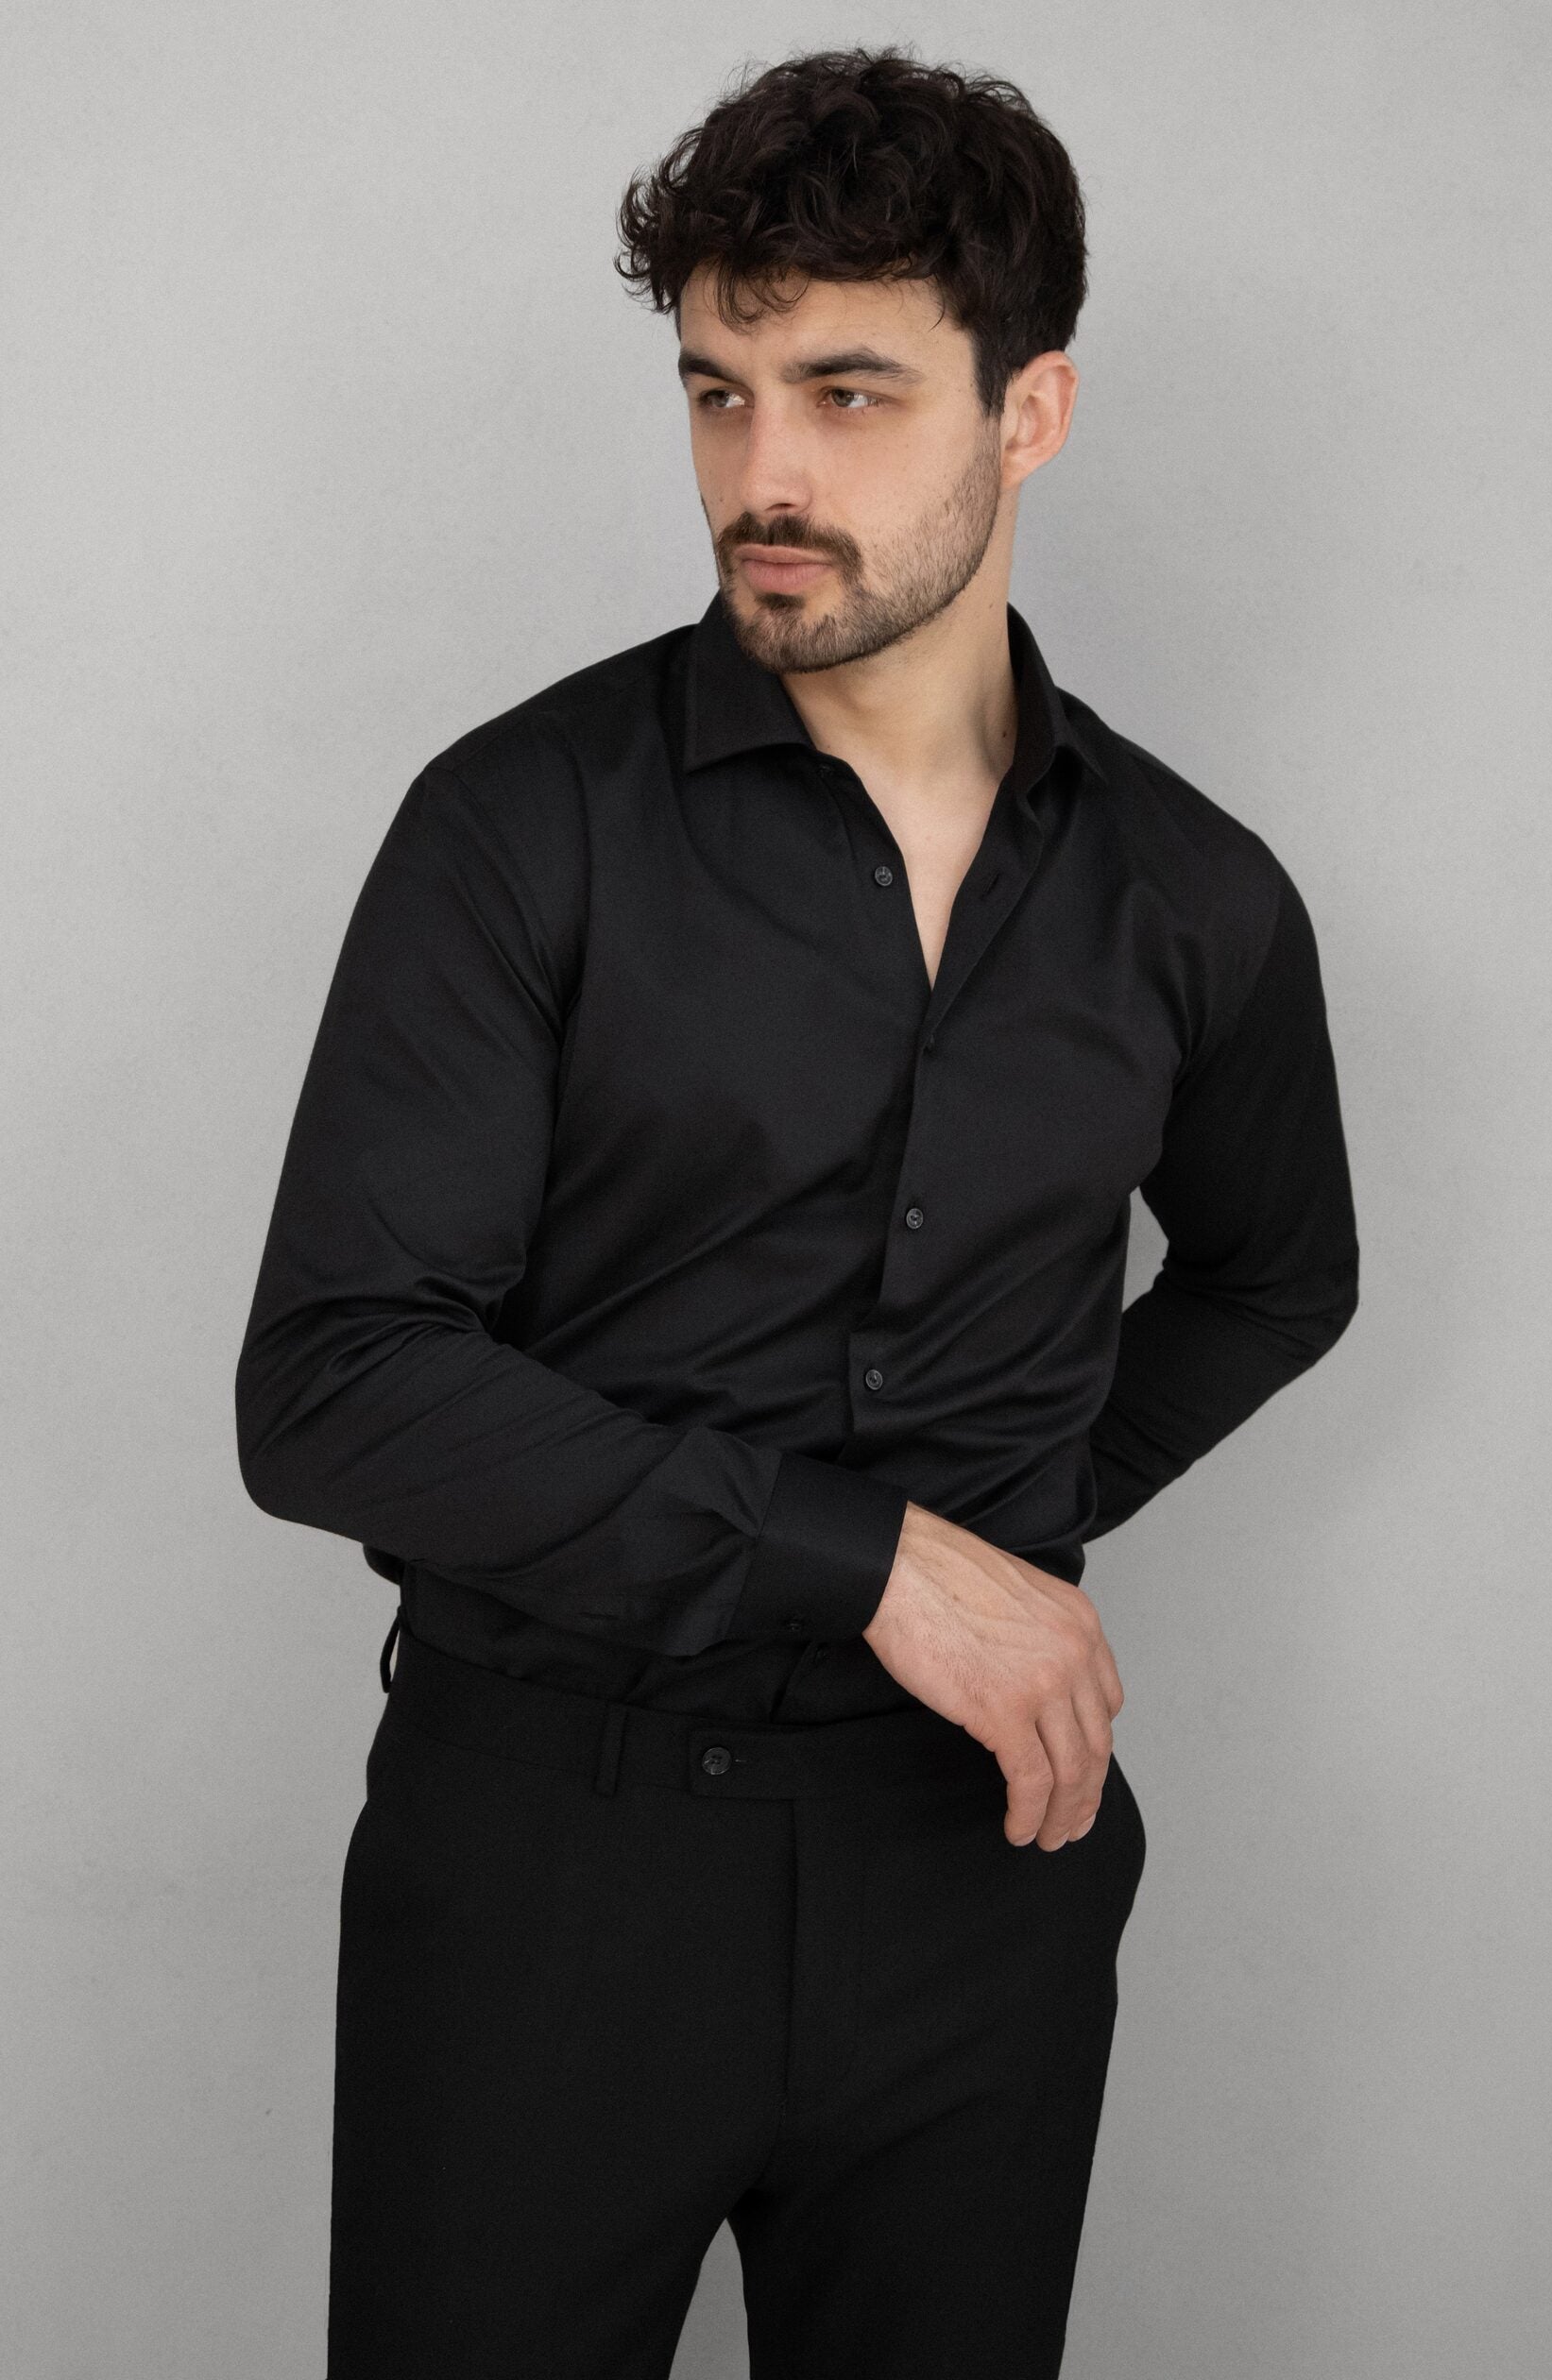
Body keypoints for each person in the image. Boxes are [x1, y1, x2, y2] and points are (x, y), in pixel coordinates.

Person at [235, 42, 1358, 2380]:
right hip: (547, 1866)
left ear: (1031, 413)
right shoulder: (516, 826)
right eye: (718, 391)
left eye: (849, 394)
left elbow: (1279, 1276)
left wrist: (1021, 1518)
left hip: (980, 1877)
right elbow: (336, 1388)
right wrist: (888, 1565)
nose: (764, 475)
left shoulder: (1197, 896)